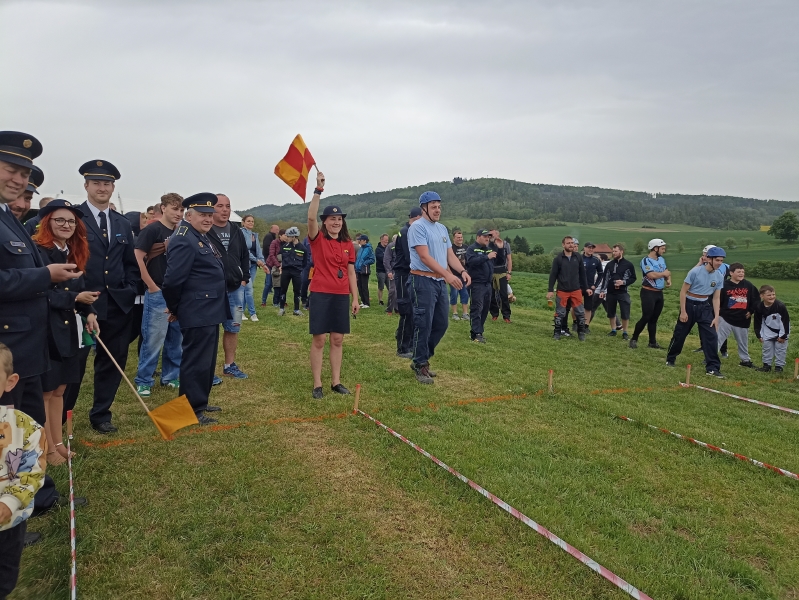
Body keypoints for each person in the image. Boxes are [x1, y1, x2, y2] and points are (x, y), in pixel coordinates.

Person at [0, 131, 80, 543]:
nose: (19, 181)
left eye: (25, 175)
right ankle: (12, 513)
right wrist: (46, 275)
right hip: (8, 349)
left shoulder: (8, 217)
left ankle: (39, 497)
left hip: (27, 347)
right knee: (9, 434)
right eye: (11, 170)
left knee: (26, 428)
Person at [69, 159, 139, 434]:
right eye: (96, 183)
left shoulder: (122, 222)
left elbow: (129, 262)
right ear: (86, 185)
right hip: (82, 303)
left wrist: (130, 288)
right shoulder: (73, 219)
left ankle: (101, 414)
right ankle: (62, 416)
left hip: (118, 304)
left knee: (113, 361)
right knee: (75, 364)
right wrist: (77, 297)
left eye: (107, 183)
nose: (102, 188)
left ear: (113, 188)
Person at [33, 200, 100, 465]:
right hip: (46, 330)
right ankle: (46, 448)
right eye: (59, 220)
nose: (66, 225)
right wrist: (74, 299)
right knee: (46, 391)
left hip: (68, 328)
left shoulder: (73, 251)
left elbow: (79, 289)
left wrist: (89, 311)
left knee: (61, 389)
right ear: (47, 222)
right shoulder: (39, 252)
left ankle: (58, 443)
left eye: (71, 221)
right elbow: (40, 293)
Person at [162, 193, 230, 425]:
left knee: (206, 360)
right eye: (203, 215)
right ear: (189, 216)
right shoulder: (184, 238)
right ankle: (191, 409)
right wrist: (175, 308)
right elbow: (172, 281)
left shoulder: (199, 235)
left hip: (209, 309)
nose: (208, 219)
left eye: (210, 215)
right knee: (195, 361)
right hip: (197, 309)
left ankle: (200, 400)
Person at [408, 191, 471, 384]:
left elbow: (449, 255)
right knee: (424, 324)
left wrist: (461, 271)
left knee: (442, 323)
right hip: (422, 280)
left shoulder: (442, 229)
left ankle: (422, 358)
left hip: (439, 282)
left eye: (439, 207)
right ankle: (420, 364)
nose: (437, 210)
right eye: (433, 207)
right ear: (424, 208)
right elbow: (425, 257)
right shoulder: (417, 227)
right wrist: (448, 275)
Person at [305, 172, 359, 399]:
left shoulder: (348, 244)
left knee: (337, 339)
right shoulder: (317, 239)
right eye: (332, 219)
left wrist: (355, 298)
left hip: (340, 295)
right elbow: (310, 218)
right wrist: (318, 190)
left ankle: (335, 382)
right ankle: (317, 384)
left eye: (339, 219)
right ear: (325, 222)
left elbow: (351, 272)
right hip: (320, 293)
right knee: (320, 339)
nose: (336, 222)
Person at [0, 344, 46, 600]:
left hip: (9, 522)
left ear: (10, 382)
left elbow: (32, 470)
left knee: (4, 580)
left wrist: (10, 501)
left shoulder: (25, 428)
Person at [133, 193, 185, 397]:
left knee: (175, 337)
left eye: (181, 210)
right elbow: (138, 257)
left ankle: (170, 376)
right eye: (175, 209)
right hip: (158, 291)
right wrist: (152, 286)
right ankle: (144, 380)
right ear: (163, 208)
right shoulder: (152, 229)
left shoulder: (181, 231)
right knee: (154, 337)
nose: (178, 213)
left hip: (177, 292)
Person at [665, 246, 726, 377]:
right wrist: (683, 311)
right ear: (709, 259)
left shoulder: (719, 276)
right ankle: (671, 358)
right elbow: (683, 292)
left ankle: (712, 368)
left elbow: (716, 298)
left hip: (705, 307)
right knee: (680, 334)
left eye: (721, 260)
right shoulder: (695, 272)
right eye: (717, 260)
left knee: (711, 337)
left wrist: (716, 317)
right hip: (689, 305)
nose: (720, 263)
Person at [208, 194, 250, 380]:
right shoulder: (205, 228)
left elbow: (244, 254)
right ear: (211, 208)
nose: (225, 210)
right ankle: (207, 369)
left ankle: (229, 365)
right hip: (211, 289)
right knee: (209, 329)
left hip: (235, 288)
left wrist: (244, 278)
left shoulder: (235, 229)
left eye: (228, 206)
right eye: (220, 206)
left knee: (233, 327)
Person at [715, 263, 759, 368]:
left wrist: (751, 311)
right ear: (731, 273)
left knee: (743, 341)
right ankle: (711, 357)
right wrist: (718, 313)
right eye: (738, 272)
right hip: (725, 317)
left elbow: (756, 299)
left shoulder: (748, 285)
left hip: (742, 318)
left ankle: (745, 360)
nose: (741, 274)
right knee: (718, 338)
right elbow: (716, 299)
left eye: (743, 272)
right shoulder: (724, 285)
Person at [629, 238, 671, 349]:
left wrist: (668, 279)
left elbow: (667, 272)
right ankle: (634, 339)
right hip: (648, 292)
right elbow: (651, 275)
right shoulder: (646, 261)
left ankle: (652, 342)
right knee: (646, 317)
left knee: (654, 319)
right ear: (655, 248)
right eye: (662, 248)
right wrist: (664, 274)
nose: (664, 250)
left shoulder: (661, 259)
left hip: (659, 293)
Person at [547, 236, 589, 341]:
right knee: (560, 313)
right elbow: (553, 275)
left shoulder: (578, 257)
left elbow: (582, 274)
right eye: (568, 243)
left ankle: (581, 334)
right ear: (563, 245)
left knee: (580, 312)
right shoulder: (558, 259)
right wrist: (550, 290)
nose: (571, 245)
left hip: (576, 289)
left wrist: (586, 288)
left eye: (572, 243)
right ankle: (557, 333)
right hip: (562, 290)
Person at [393, 207, 422, 358]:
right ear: (416, 218)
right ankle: (402, 348)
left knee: (412, 311)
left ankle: (408, 343)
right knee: (406, 311)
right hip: (403, 274)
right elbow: (409, 256)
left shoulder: (411, 231)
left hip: (411, 273)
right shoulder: (405, 232)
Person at [597, 243, 636, 339]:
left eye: (616, 251)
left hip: (623, 292)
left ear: (621, 251)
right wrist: (602, 291)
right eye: (613, 251)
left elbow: (633, 278)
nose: (614, 253)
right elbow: (605, 278)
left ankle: (625, 332)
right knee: (611, 312)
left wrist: (623, 282)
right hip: (611, 292)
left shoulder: (628, 264)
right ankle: (613, 330)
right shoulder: (609, 264)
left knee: (625, 312)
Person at [465, 229, 497, 343]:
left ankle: (479, 332)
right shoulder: (471, 249)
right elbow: (471, 262)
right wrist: (487, 257)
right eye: (485, 236)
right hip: (477, 284)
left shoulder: (489, 249)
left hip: (488, 284)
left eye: (488, 237)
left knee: (485, 309)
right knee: (477, 308)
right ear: (478, 237)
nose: (487, 238)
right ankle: (476, 333)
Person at [754, 285, 790, 373]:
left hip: (781, 330)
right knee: (767, 348)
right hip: (768, 331)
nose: (772, 297)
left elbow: (785, 322)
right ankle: (766, 365)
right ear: (762, 296)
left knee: (780, 349)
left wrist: (783, 335)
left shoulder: (780, 306)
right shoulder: (759, 307)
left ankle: (779, 367)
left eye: (773, 294)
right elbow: (758, 322)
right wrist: (759, 334)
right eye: (769, 295)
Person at [240, 214, 265, 321]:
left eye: (252, 221)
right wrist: (256, 260)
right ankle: (252, 313)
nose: (251, 223)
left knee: (247, 290)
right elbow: (245, 250)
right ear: (243, 222)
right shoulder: (241, 233)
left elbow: (258, 250)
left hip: (254, 266)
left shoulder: (254, 235)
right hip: (244, 264)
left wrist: (262, 262)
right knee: (249, 289)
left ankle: (241, 312)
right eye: (248, 221)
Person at [278, 226, 308, 316]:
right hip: (286, 271)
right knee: (283, 289)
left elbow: (305, 262)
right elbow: (280, 257)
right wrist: (280, 266)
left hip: (296, 272)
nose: (287, 238)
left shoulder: (303, 248)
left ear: (294, 237)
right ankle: (281, 309)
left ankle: (296, 310)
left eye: (288, 236)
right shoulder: (284, 246)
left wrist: (299, 269)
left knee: (297, 291)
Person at [488, 230, 512, 323]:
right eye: (489, 234)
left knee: (503, 295)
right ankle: (494, 314)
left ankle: (506, 316)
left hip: (502, 272)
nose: (490, 236)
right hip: (490, 272)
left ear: (497, 234)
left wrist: (509, 272)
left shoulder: (505, 244)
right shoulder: (487, 244)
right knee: (491, 295)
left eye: (492, 234)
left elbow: (509, 259)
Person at [580, 242, 603, 331]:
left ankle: (586, 326)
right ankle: (577, 323)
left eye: (592, 248)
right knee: (576, 305)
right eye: (589, 247)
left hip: (590, 287)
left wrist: (595, 285)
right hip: (579, 286)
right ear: (584, 248)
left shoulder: (596, 260)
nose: (591, 249)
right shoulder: (579, 258)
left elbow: (601, 274)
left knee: (588, 307)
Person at [449, 230, 470, 320]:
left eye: (461, 237)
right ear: (453, 238)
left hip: (464, 275)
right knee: (454, 293)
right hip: (454, 275)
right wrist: (450, 275)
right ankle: (455, 313)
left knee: (465, 294)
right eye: (458, 237)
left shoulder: (466, 247)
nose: (460, 239)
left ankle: (465, 313)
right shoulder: (450, 248)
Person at [266, 229, 287, 310]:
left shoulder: (286, 244)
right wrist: (278, 265)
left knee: (282, 285)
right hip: (272, 264)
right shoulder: (274, 242)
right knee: (269, 284)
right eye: (285, 235)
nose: (286, 237)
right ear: (280, 235)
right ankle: (264, 301)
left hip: (282, 265)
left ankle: (282, 301)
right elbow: (272, 255)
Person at [261, 224, 280, 307]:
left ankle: (276, 300)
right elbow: (266, 248)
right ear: (271, 229)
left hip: (274, 262)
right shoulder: (269, 236)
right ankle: (263, 300)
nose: (277, 231)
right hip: (269, 261)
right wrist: (268, 258)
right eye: (276, 229)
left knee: (272, 282)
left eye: (278, 229)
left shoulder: (274, 238)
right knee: (268, 282)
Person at [354, 234, 375, 308]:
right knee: (359, 286)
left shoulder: (369, 248)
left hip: (364, 270)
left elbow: (372, 259)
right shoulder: (361, 248)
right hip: (358, 269)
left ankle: (367, 303)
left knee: (364, 286)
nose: (359, 241)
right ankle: (363, 301)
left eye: (361, 240)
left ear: (365, 241)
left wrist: (364, 263)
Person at [383, 234, 398, 315]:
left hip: (401, 271)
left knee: (400, 291)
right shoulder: (390, 246)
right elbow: (386, 260)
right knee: (392, 291)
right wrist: (389, 271)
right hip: (393, 271)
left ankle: (397, 309)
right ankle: (389, 309)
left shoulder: (403, 246)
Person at [374, 233, 389, 306]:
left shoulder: (388, 248)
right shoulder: (378, 249)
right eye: (385, 240)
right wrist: (388, 258)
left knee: (390, 287)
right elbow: (382, 259)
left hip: (388, 271)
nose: (387, 241)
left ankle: (390, 300)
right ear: (381, 240)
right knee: (381, 287)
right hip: (381, 271)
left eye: (387, 240)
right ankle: (380, 300)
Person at [300, 234, 313, 309]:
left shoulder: (321, 239)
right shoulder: (306, 240)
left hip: (315, 265)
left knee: (314, 282)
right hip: (307, 264)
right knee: (304, 281)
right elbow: (302, 251)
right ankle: (303, 299)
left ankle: (310, 300)